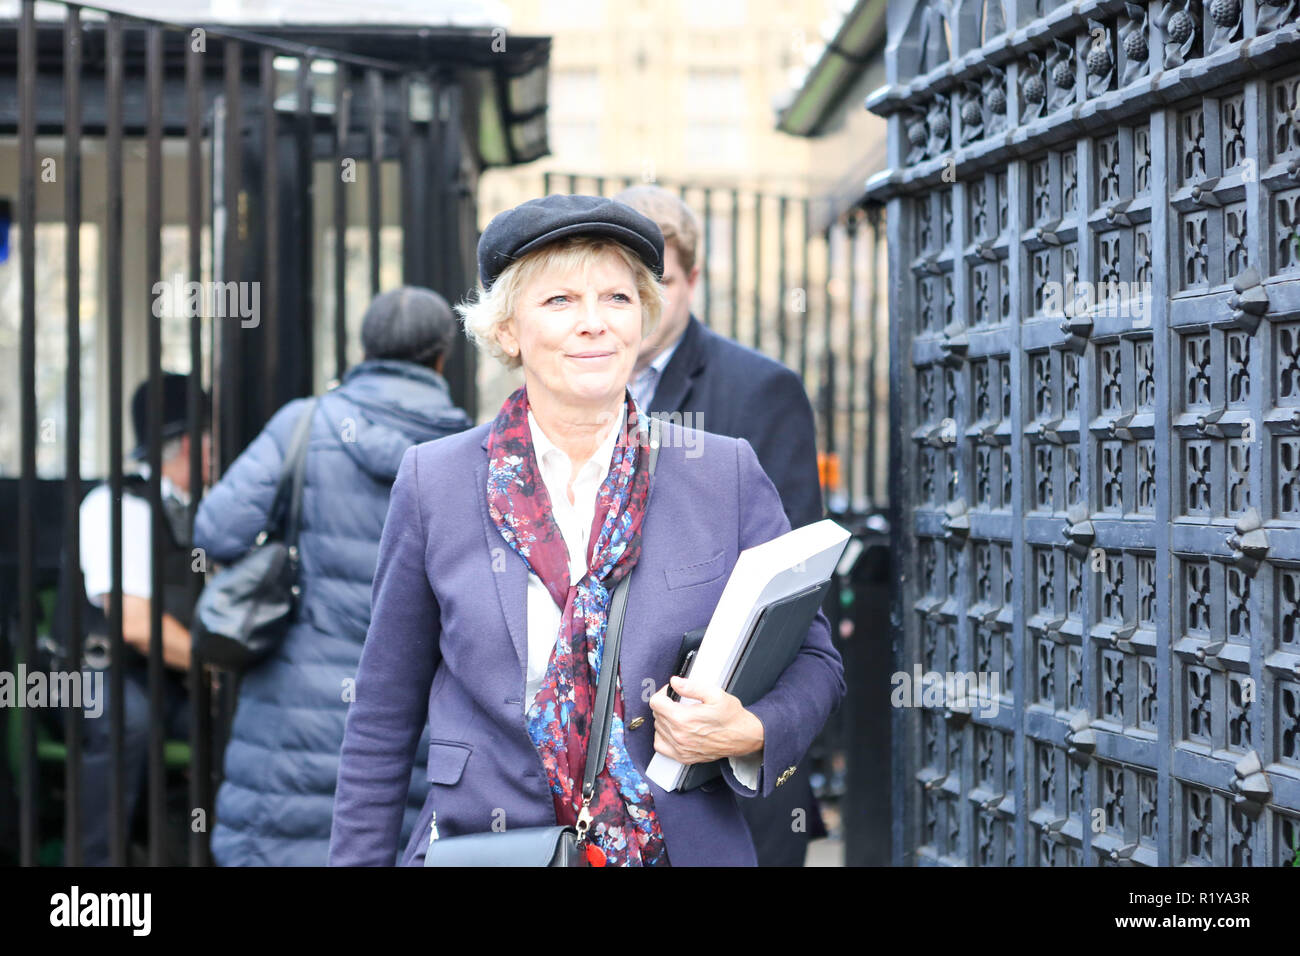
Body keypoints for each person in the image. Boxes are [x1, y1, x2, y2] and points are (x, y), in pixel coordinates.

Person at [328, 195, 845, 867]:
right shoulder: (436, 483)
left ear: (644, 317)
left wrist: (749, 729)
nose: (594, 324)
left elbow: (815, 661)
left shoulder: (723, 473)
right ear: (509, 330)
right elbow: (381, 718)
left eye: (617, 299)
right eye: (561, 301)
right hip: (492, 848)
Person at [193, 287, 473, 866]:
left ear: (365, 348)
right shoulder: (465, 452)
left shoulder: (305, 424)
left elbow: (217, 530)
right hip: (408, 725)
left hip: (288, 714)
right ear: (443, 356)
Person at [614, 184, 828, 866]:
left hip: (718, 757)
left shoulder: (760, 388)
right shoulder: (578, 383)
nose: (643, 304)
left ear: (694, 280)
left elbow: (792, 579)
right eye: (625, 286)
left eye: (662, 282)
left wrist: (739, 724)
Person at [75, 372, 210, 866]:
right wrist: (212, 668)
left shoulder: (197, 512)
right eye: (212, 438)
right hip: (93, 675)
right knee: (127, 720)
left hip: (162, 677)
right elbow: (132, 622)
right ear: (191, 444)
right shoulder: (118, 505)